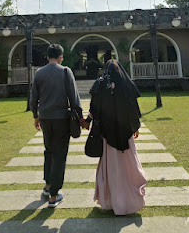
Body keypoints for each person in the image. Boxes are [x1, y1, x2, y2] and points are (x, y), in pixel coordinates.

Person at [85, 59, 147, 215]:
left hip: (107, 135)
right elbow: (133, 108)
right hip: (124, 134)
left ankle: (111, 201)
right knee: (127, 166)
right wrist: (135, 127)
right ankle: (128, 200)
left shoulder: (100, 85)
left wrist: (87, 121)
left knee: (112, 168)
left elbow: (94, 108)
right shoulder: (126, 85)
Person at [30, 44, 83, 208]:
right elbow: (74, 98)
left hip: (45, 118)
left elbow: (33, 99)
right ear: (61, 57)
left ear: (47, 57)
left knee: (49, 151)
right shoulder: (65, 71)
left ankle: (47, 186)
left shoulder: (39, 73)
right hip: (61, 119)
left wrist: (35, 116)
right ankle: (54, 196)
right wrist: (80, 118)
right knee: (59, 155)